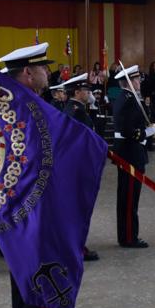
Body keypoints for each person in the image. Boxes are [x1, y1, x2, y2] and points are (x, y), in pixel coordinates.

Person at [0, 42, 61, 308]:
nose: (47, 73)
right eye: (42, 68)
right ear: (27, 73)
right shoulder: (22, 111)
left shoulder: (23, 105)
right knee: (47, 296)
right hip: (31, 218)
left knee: (28, 296)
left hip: (28, 217)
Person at [112, 64, 155, 248]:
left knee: (127, 196)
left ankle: (126, 234)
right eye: (136, 79)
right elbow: (129, 130)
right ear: (129, 82)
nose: (139, 82)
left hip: (129, 152)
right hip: (130, 153)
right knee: (129, 197)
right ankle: (129, 237)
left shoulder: (128, 98)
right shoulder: (127, 100)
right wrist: (147, 133)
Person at [61, 73, 101, 262]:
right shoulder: (75, 111)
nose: (89, 93)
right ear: (77, 92)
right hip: (77, 167)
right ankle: (77, 248)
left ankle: (77, 245)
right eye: (86, 90)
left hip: (79, 165)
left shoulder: (77, 109)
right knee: (77, 210)